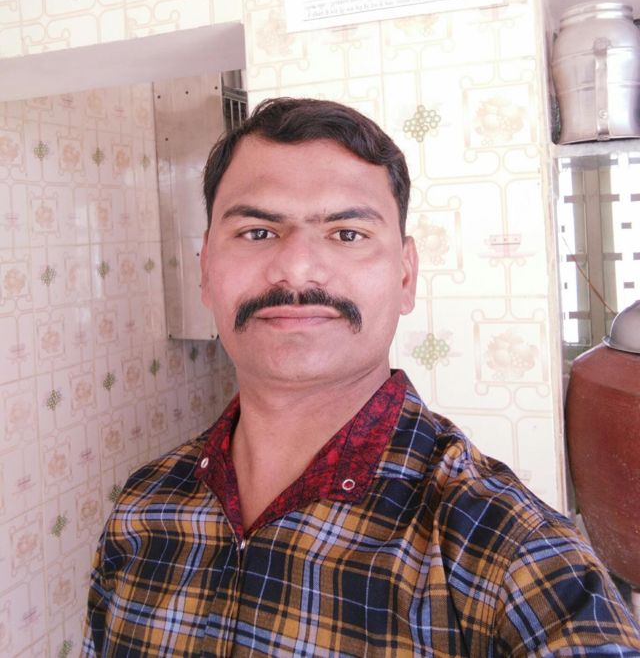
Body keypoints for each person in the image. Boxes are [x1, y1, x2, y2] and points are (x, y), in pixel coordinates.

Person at [82, 97, 640, 656]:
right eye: (257, 232)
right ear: (205, 270)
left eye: (347, 233)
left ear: (405, 276)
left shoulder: (508, 551)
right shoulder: (142, 507)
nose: (297, 267)